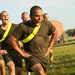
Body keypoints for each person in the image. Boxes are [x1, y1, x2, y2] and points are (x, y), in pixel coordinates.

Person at [8, 5, 57, 75]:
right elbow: (11, 40)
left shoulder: (47, 24)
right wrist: (22, 53)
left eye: (41, 15)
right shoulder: (23, 27)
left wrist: (49, 47)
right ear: (30, 16)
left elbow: (55, 33)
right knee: (40, 72)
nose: (40, 18)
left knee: (43, 73)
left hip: (43, 56)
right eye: (37, 16)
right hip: (31, 56)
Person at [0, 11, 22, 75]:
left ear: (9, 17)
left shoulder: (16, 26)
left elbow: (21, 37)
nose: (5, 16)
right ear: (0, 18)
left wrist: (21, 44)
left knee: (19, 72)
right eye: (3, 15)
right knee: (11, 68)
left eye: (7, 15)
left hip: (16, 52)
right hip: (6, 52)